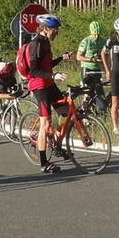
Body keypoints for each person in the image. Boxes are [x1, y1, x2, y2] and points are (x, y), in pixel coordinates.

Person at [24, 14, 73, 174]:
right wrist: (53, 75)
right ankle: (44, 163)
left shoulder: (46, 43)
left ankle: (56, 146)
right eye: (54, 29)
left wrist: (60, 58)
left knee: (65, 112)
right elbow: (34, 70)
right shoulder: (36, 44)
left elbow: (47, 64)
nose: (56, 32)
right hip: (39, 86)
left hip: (50, 84)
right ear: (45, 28)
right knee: (45, 124)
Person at [76, 21, 107, 111]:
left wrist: (106, 66)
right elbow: (78, 57)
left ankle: (99, 110)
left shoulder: (104, 41)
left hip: (97, 69)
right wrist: (91, 59)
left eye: (98, 34)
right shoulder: (86, 41)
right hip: (87, 69)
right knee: (88, 92)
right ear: (91, 33)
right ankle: (83, 111)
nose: (96, 37)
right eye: (94, 34)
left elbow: (107, 55)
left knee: (98, 91)